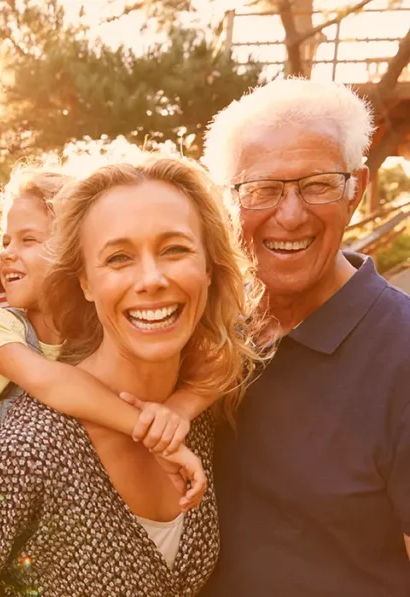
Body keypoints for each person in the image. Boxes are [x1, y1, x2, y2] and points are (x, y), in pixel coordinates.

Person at [0, 156, 263, 597]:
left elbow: (237, 348)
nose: (151, 279)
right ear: (84, 281)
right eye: (118, 257)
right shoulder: (35, 447)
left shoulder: (195, 407)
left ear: (209, 268)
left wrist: (180, 410)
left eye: (175, 249)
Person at [200, 79, 410, 595]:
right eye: (263, 189)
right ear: (229, 203)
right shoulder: (203, 332)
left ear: (356, 190)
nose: (290, 214)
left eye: (317, 185)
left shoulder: (402, 352)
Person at [0, 166, 210, 481]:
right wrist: (152, 432)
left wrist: (178, 410)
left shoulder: (106, 327)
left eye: (27, 240)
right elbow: (50, 383)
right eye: (5, 242)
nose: (6, 253)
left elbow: (225, 355)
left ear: (72, 252)